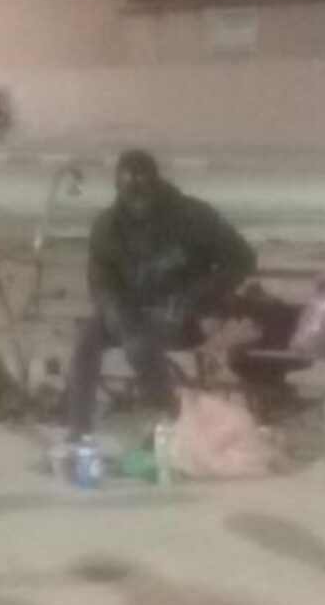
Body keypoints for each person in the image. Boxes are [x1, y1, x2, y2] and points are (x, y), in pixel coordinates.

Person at [66, 149, 257, 442]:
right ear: (118, 190)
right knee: (86, 342)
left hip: (183, 315)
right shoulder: (107, 226)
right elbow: (100, 281)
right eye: (131, 195)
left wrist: (198, 294)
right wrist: (114, 311)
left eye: (145, 192)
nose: (139, 203)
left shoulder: (193, 216)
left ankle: (169, 417)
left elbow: (242, 259)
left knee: (137, 345)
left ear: (157, 184)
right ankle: (79, 431)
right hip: (127, 311)